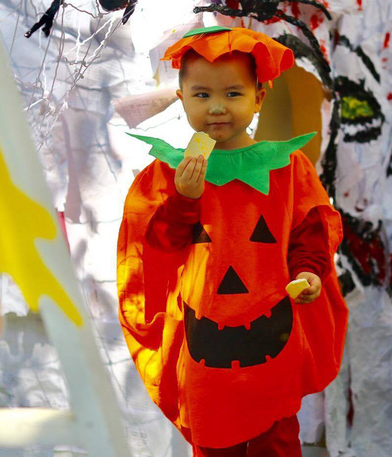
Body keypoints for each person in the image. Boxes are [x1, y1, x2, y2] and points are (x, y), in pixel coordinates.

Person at [117, 26, 348, 457]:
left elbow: (308, 230)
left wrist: (308, 272)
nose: (217, 107)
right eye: (201, 95)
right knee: (213, 439)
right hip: (205, 346)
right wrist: (184, 203)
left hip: (271, 338)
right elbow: (154, 250)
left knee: (277, 441)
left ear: (258, 97)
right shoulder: (167, 175)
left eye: (233, 94)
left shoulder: (285, 168)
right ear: (182, 97)